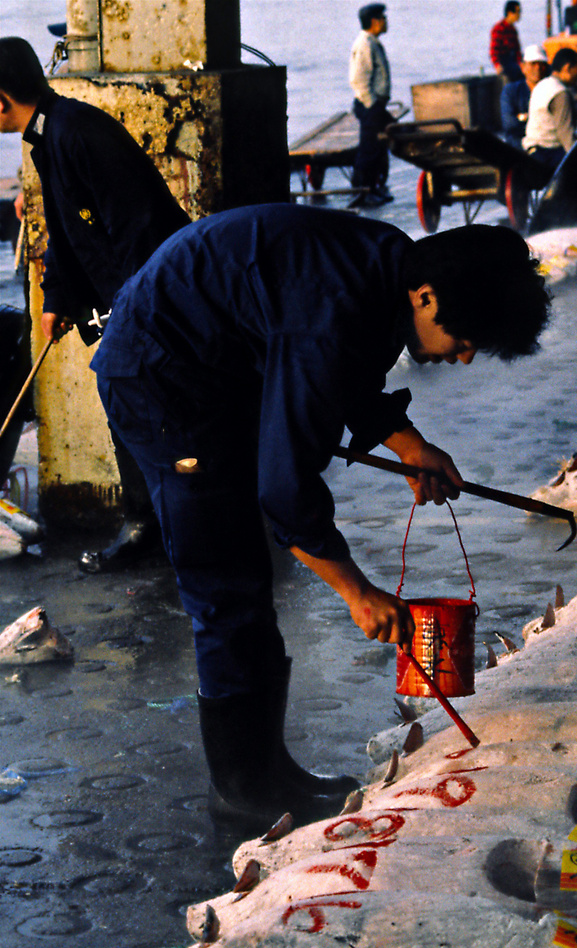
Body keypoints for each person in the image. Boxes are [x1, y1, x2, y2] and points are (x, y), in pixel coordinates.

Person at [90, 203, 550, 837]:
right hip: (160, 379)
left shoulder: (388, 268)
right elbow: (287, 488)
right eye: (465, 340)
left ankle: (270, 768)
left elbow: (345, 369)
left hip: (218, 367)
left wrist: (404, 440)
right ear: (426, 295)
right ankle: (242, 791)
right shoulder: (336, 310)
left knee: (251, 578)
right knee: (226, 579)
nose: (465, 359)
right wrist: (357, 593)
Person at [0, 36, 190, 573]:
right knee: (132, 405)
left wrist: (129, 311)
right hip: (129, 301)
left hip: (152, 299)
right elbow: (67, 232)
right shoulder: (51, 134)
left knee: (142, 405)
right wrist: (57, 297)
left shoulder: (76, 132)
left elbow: (140, 230)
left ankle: (154, 526)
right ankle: (155, 523)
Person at [349, 3, 394, 208]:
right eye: (383, 18)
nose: (386, 22)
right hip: (369, 106)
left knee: (378, 146)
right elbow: (358, 80)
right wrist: (373, 106)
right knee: (369, 150)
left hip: (374, 105)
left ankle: (373, 189)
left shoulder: (372, 42)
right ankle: (362, 191)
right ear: (375, 21)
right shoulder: (365, 44)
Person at [522, 47, 577, 180]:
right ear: (567, 68)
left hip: (532, 149)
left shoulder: (543, 85)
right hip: (547, 154)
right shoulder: (559, 93)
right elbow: (566, 136)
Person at [500, 44, 548, 148]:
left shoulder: (551, 90)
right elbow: (509, 124)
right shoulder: (511, 91)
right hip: (519, 146)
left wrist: (524, 117)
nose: (538, 68)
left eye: (541, 64)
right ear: (523, 67)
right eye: (533, 64)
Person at [489, 2, 523, 82]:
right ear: (510, 13)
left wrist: (521, 63)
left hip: (513, 61)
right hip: (504, 62)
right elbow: (494, 50)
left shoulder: (513, 30)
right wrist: (497, 65)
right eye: (517, 12)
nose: (519, 15)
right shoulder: (499, 28)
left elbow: (517, 50)